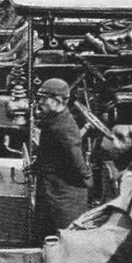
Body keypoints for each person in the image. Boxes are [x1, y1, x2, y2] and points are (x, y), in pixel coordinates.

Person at [32, 77, 93, 240]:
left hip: (62, 194)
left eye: (43, 98)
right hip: (52, 188)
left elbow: (75, 156)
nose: (39, 102)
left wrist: (86, 178)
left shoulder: (64, 127)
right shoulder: (56, 119)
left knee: (62, 235)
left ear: (57, 100)